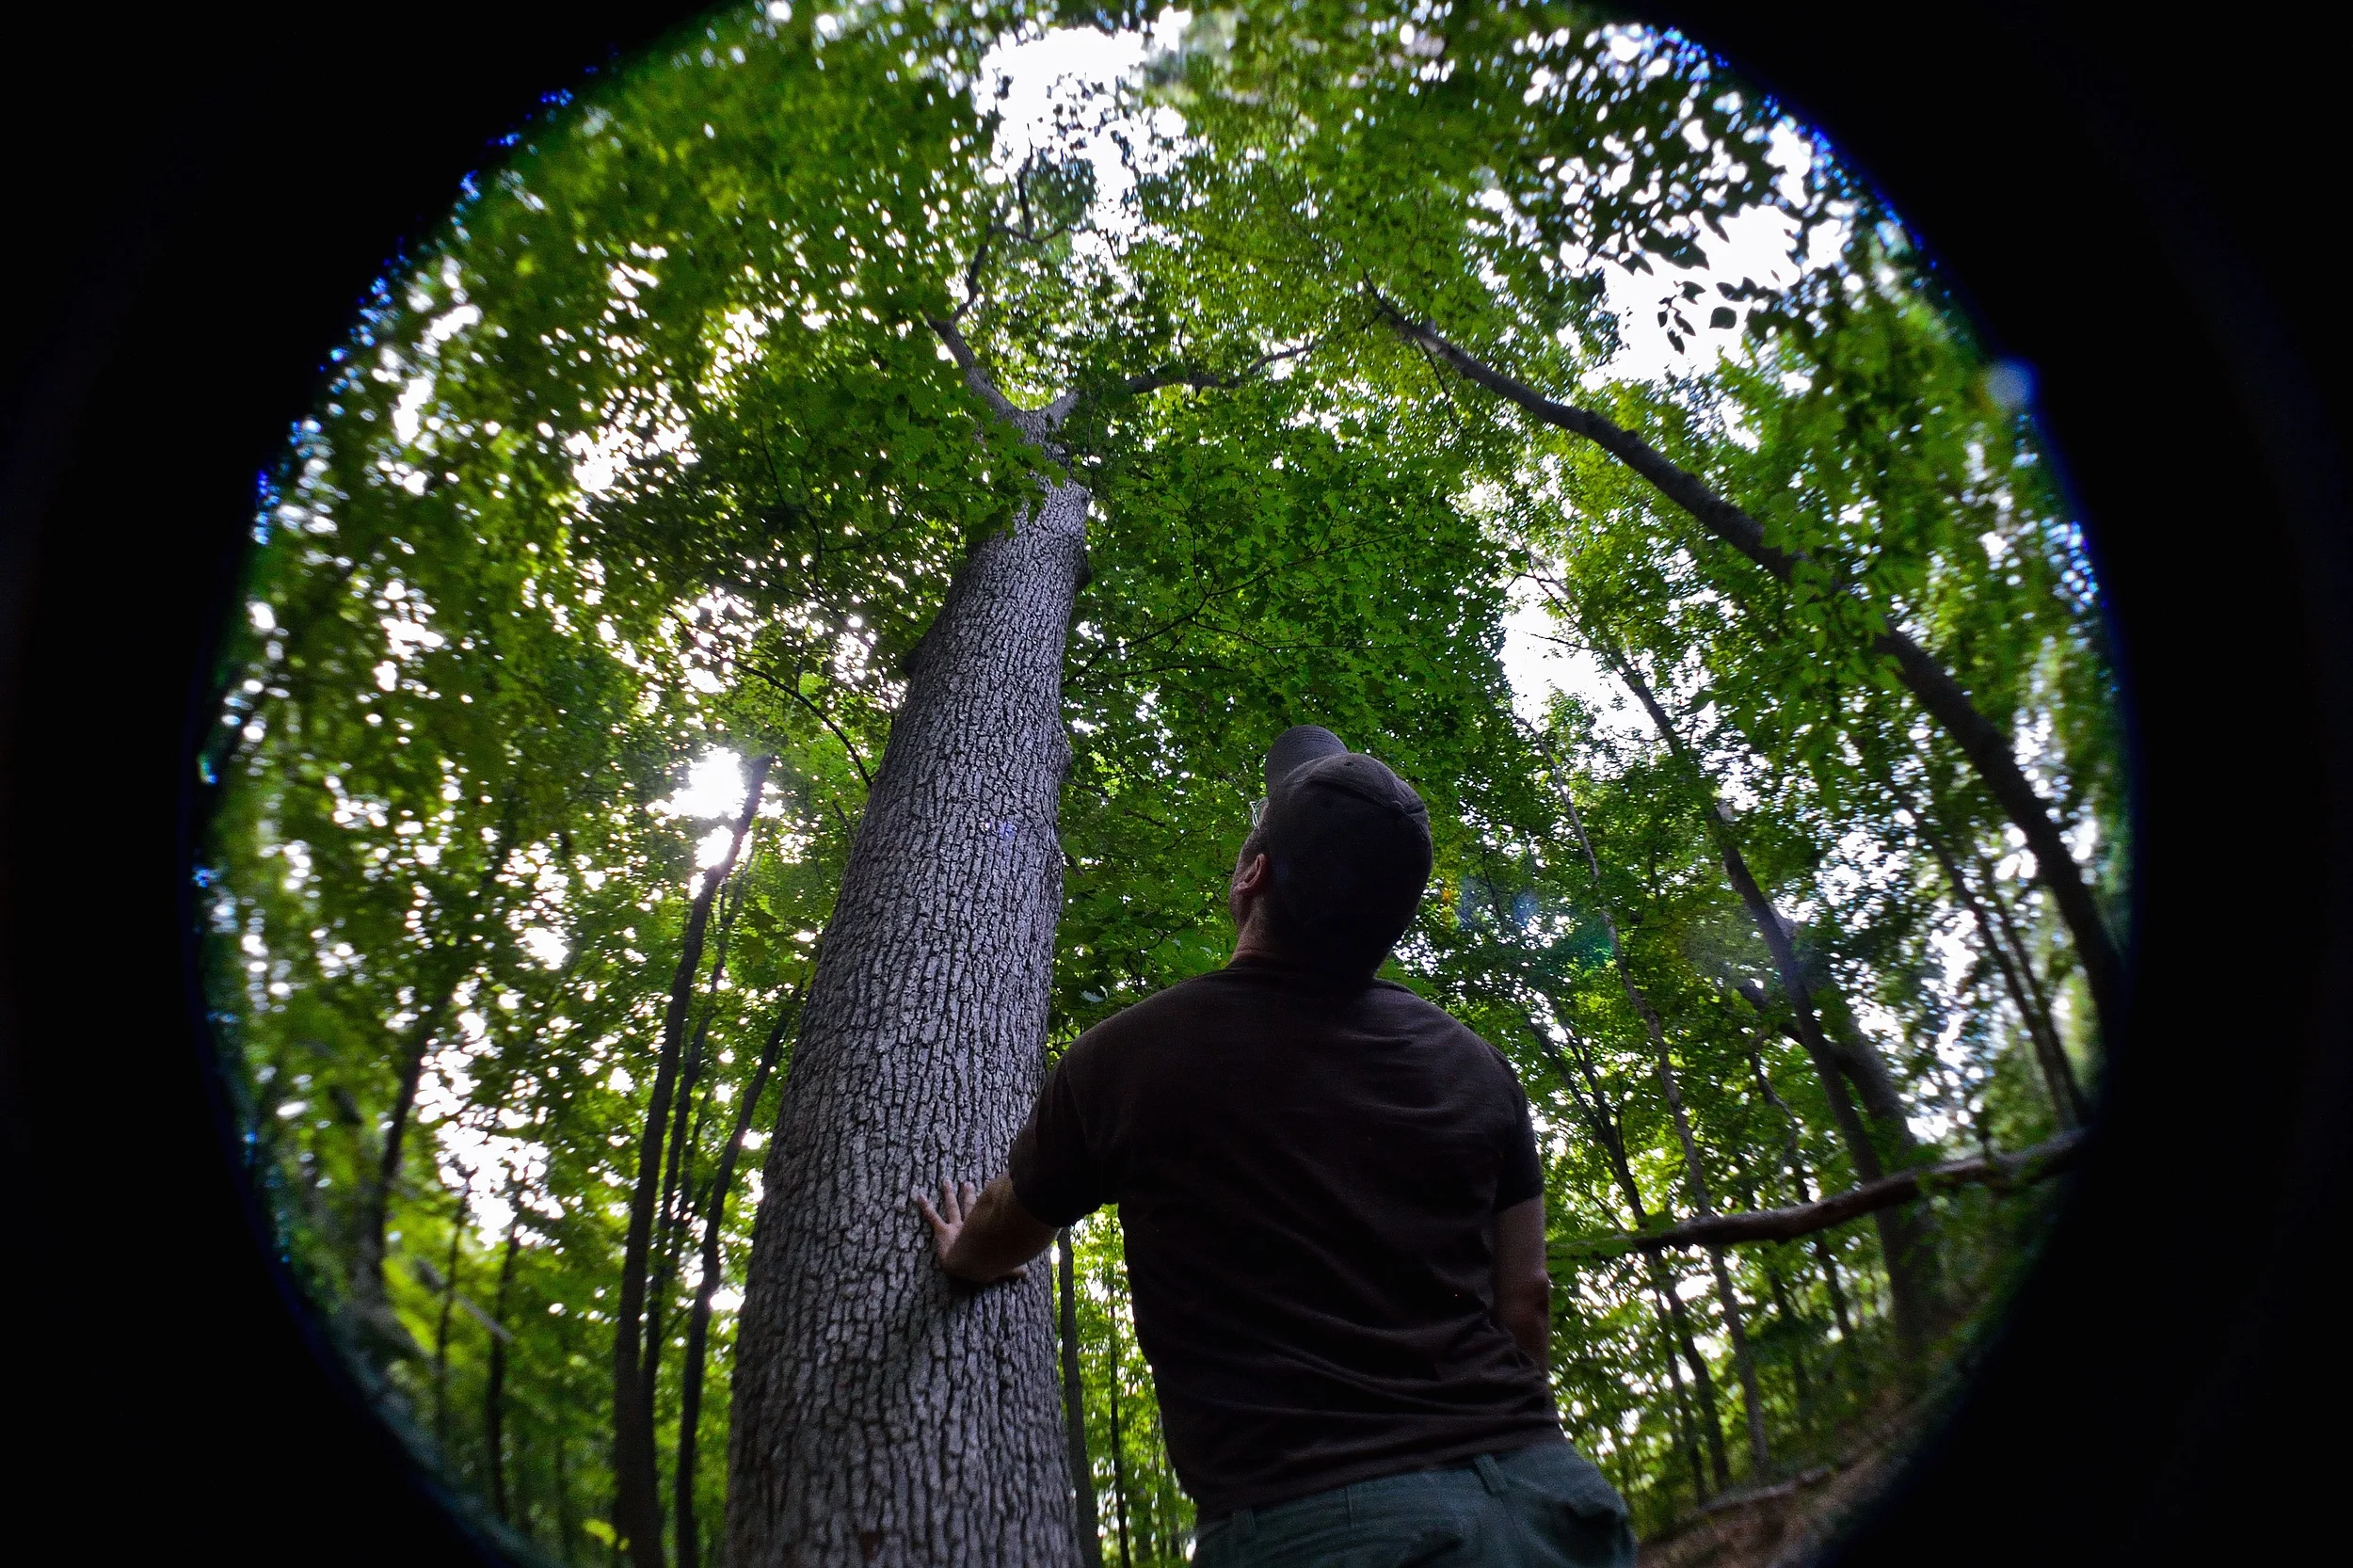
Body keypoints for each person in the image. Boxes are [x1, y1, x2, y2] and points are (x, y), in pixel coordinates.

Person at [915, 726, 1636, 1567]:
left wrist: (961, 1252)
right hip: (1553, 1502)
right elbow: (1527, 1300)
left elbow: (1001, 1233)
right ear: (1396, 918)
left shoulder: (1131, 1056)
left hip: (1324, 1529)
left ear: (1254, 873)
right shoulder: (1479, 1067)